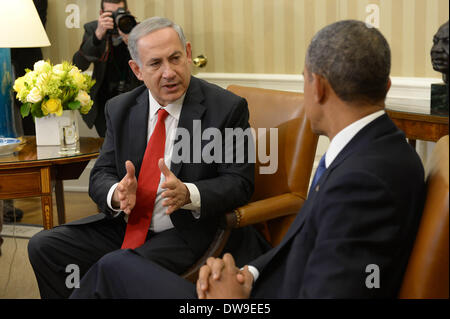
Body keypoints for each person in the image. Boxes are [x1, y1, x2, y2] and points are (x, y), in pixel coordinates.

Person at [69, 20, 426, 299]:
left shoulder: (365, 179)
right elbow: (301, 247)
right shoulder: (370, 149)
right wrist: (249, 274)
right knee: (109, 266)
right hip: (255, 283)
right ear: (387, 85)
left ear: (316, 88)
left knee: (114, 269)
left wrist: (237, 299)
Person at [28, 16, 269, 299]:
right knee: (44, 245)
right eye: (155, 64)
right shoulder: (120, 108)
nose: (169, 72)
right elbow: (101, 174)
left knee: (113, 266)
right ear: (137, 69)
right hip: (126, 226)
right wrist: (116, 193)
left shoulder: (226, 108)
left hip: (185, 233)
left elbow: (240, 182)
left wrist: (189, 193)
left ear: (188, 54)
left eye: (175, 58)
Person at [72, 0, 142, 137]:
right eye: (110, 14)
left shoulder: (136, 29)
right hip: (104, 102)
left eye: (119, 12)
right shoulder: (93, 29)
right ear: (101, 14)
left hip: (134, 100)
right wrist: (98, 36)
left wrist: (131, 41)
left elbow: (149, 63)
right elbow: (78, 65)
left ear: (127, 12)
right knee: (109, 146)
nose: (115, 18)